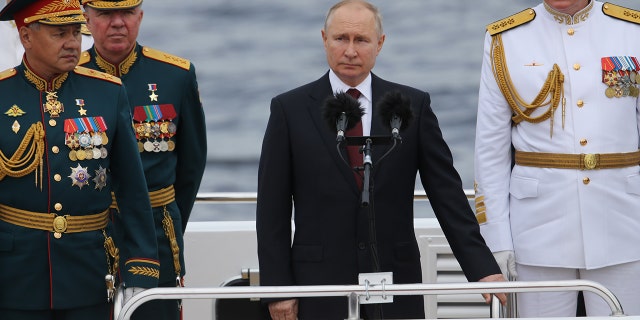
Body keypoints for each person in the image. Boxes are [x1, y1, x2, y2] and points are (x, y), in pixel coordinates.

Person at [256, 1, 507, 319]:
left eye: (360, 40)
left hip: (395, 278)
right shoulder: (288, 110)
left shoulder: (412, 105)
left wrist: (482, 268)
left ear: (380, 44)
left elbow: (447, 196)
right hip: (317, 284)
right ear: (324, 39)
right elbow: (271, 210)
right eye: (340, 38)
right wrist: (279, 290)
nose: (350, 50)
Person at [475, 0, 640, 317]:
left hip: (624, 224)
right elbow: (490, 151)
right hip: (538, 233)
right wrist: (496, 239)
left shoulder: (631, 31)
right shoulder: (506, 39)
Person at [0, 0, 159, 318]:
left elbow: (131, 189)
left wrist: (140, 269)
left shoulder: (108, 93)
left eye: (76, 32)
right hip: (14, 276)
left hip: (89, 271)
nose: (73, 43)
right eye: (60, 34)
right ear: (26, 36)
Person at [80, 0, 207, 319]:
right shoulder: (70, 75)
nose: (118, 22)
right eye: (106, 14)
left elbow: (191, 166)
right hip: (87, 236)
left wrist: (170, 221)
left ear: (141, 16)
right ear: (87, 19)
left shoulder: (175, 75)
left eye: (127, 13)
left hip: (157, 233)